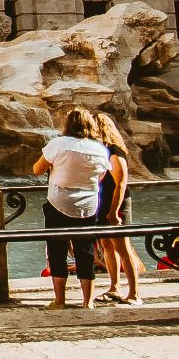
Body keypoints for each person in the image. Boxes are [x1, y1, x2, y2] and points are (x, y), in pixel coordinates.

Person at [33, 107, 110, 309]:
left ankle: (60, 300)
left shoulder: (58, 144)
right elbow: (101, 177)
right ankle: (88, 301)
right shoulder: (100, 149)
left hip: (59, 202)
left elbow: (37, 169)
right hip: (89, 204)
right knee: (85, 251)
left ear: (67, 124)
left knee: (57, 250)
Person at [90, 113, 142, 305]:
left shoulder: (115, 152)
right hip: (103, 204)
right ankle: (115, 287)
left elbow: (120, 184)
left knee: (123, 248)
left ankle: (135, 293)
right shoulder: (102, 152)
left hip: (116, 205)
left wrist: (114, 211)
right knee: (107, 246)